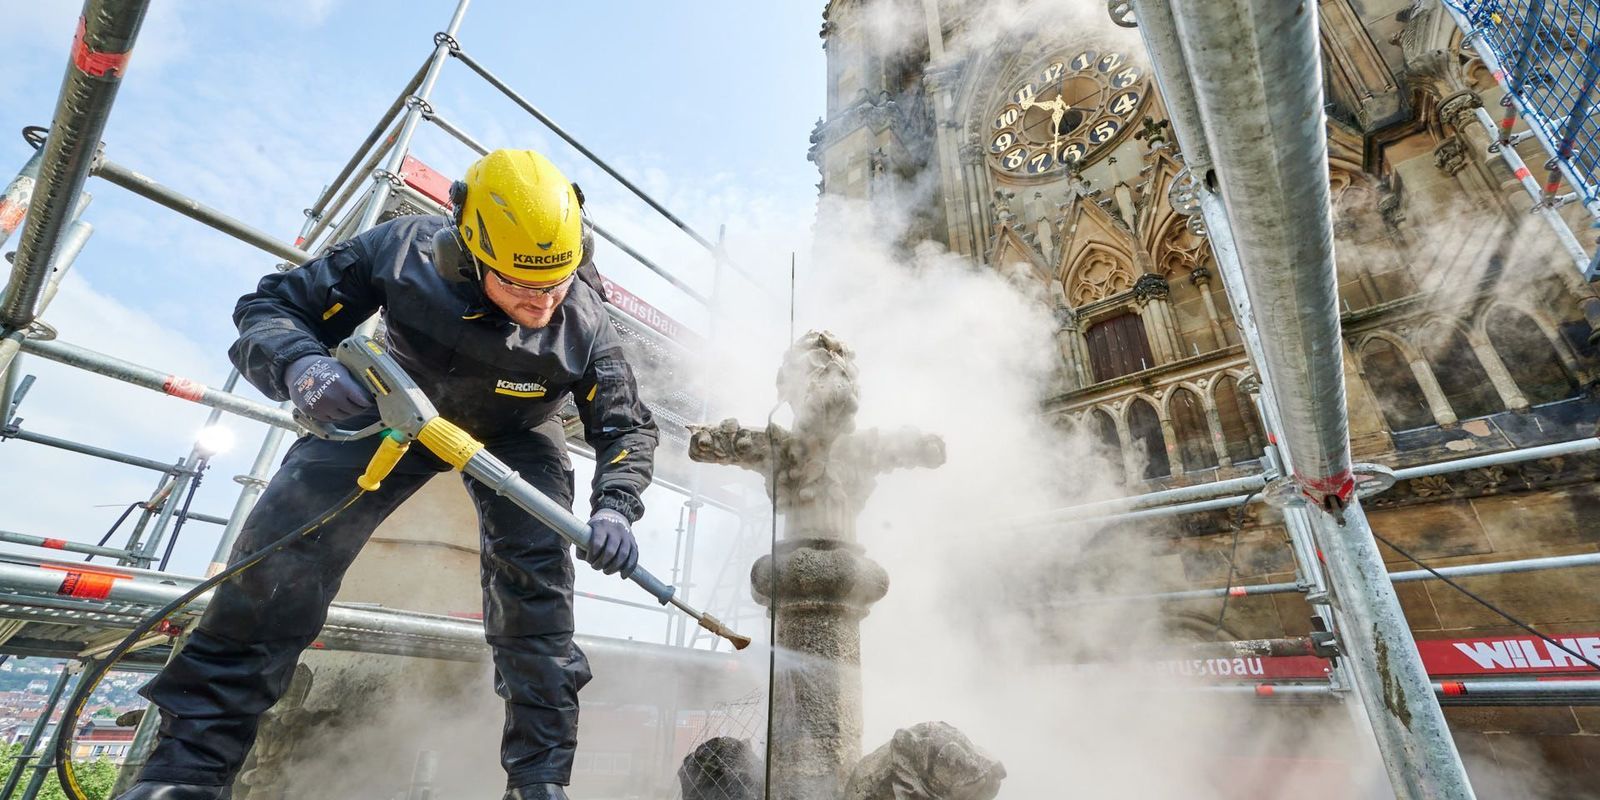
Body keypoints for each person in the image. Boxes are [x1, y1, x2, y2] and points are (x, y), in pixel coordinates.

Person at [116, 149, 659, 800]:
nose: (542, 301)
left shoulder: (587, 322)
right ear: (466, 255)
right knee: (282, 559)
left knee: (536, 591)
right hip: (399, 404)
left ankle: (539, 780)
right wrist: (300, 365)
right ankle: (185, 774)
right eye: (520, 284)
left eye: (555, 284)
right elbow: (273, 307)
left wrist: (616, 505)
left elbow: (626, 428)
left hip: (519, 433)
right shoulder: (403, 251)